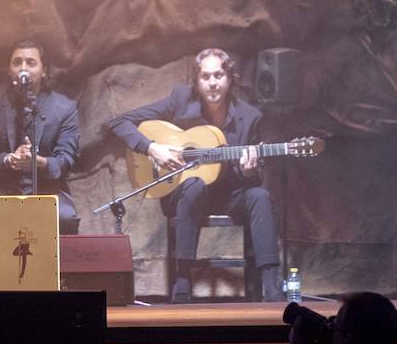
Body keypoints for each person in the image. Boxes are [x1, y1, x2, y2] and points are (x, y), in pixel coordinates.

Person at [109, 47, 282, 302]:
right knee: (194, 184)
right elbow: (118, 122)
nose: (212, 83)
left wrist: (249, 171)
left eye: (219, 76)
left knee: (260, 196)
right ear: (197, 81)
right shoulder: (179, 100)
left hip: (230, 195)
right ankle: (182, 282)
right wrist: (152, 148)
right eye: (206, 76)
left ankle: (271, 285)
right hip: (183, 193)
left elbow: (257, 176)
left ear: (230, 78)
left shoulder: (250, 116)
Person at [0, 40, 80, 278]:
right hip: (4, 187)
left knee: (65, 215)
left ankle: (64, 290)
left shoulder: (65, 107)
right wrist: (8, 159)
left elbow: (67, 158)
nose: (23, 68)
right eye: (17, 62)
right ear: (9, 70)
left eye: (31, 63)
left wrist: (39, 163)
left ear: (44, 71)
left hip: (48, 189)